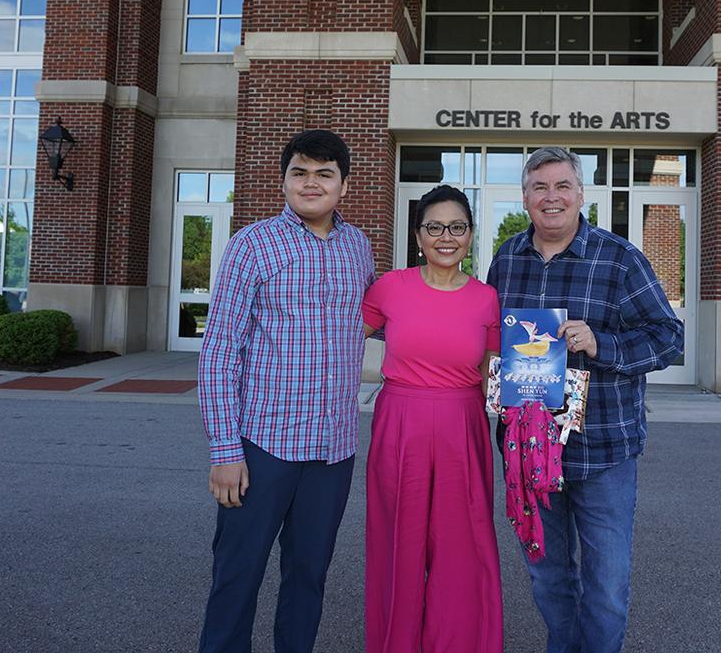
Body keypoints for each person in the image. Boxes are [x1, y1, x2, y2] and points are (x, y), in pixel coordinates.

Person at [486, 146, 684, 653]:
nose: (551, 198)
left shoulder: (619, 259)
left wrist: (602, 345)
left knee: (605, 587)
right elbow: (490, 339)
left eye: (562, 187)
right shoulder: (506, 258)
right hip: (529, 452)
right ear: (525, 197)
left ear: (580, 195)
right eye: (539, 188)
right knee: (548, 579)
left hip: (602, 451)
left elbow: (669, 338)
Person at [197, 129, 375, 653]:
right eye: (299, 172)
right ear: (284, 180)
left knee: (308, 578)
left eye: (324, 173)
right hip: (262, 448)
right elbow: (220, 350)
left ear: (345, 183)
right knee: (237, 577)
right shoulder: (253, 245)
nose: (311, 183)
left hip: (332, 451)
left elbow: (377, 322)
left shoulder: (358, 247)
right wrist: (226, 452)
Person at [362, 185, 504, 653]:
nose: (447, 237)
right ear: (418, 234)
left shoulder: (487, 299)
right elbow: (331, 338)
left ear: (470, 235)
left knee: (461, 548)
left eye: (458, 227)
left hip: (463, 425)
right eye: (435, 227)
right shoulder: (389, 288)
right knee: (397, 544)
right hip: (399, 424)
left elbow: (493, 376)